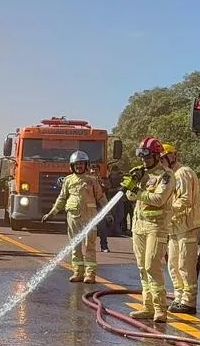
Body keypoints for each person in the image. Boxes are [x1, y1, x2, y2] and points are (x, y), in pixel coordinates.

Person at [120, 136, 176, 323]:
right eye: (141, 156)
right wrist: (133, 183)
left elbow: (159, 199)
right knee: (142, 267)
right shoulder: (141, 173)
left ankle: (160, 308)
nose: (143, 160)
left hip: (156, 227)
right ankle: (147, 306)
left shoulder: (166, 175)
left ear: (156, 155)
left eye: (147, 156)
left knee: (152, 265)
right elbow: (129, 196)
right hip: (139, 226)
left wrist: (138, 192)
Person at [42, 151, 107, 283]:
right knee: (75, 245)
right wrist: (51, 213)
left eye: (81, 164)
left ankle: (90, 274)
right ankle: (78, 272)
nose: (79, 166)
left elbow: (101, 197)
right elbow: (61, 198)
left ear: (86, 165)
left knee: (90, 246)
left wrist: (107, 213)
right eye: (76, 164)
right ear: (72, 166)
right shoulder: (68, 181)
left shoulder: (92, 180)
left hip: (90, 217)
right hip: (73, 217)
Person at [164, 143, 200, 314]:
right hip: (174, 226)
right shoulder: (169, 175)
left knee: (185, 263)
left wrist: (165, 210)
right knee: (173, 263)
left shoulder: (183, 173)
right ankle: (179, 297)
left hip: (187, 225)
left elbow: (185, 199)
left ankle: (188, 301)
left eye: (162, 158)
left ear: (172, 156)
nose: (161, 162)